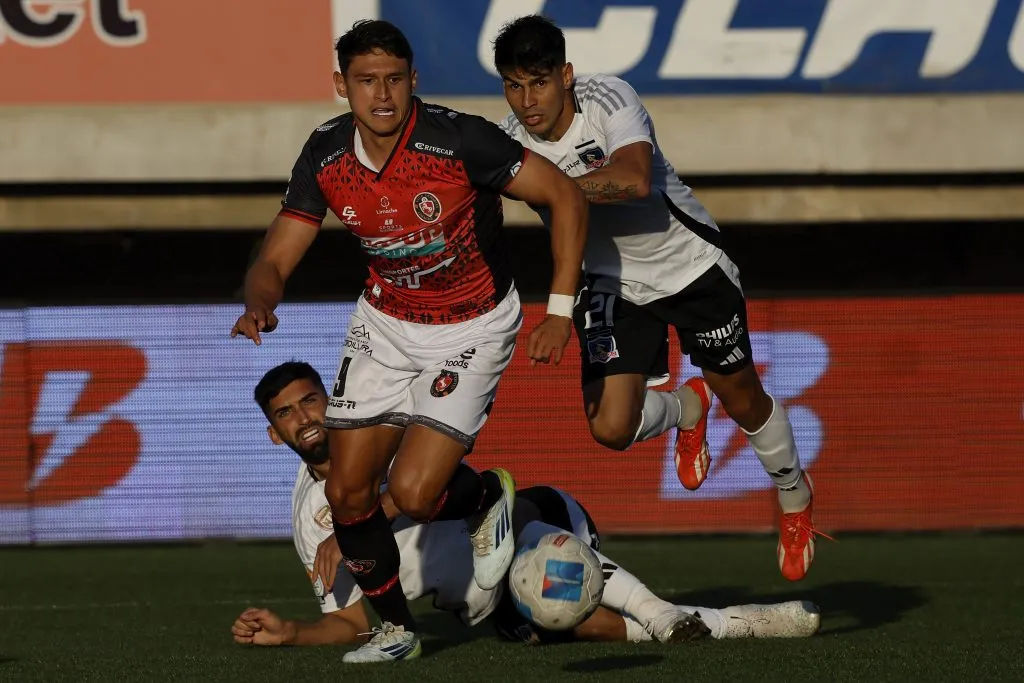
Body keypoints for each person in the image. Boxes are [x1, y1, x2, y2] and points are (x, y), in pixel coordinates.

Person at [230, 19, 589, 663]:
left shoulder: (458, 140)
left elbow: (564, 196)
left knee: (420, 496)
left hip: (473, 324)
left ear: (413, 80)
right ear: (342, 86)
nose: (383, 94)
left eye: (394, 78)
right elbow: (278, 250)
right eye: (366, 81)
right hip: (386, 325)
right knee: (345, 493)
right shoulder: (326, 154)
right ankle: (397, 631)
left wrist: (559, 312)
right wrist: (260, 297)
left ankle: (485, 497)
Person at [490, 15, 823, 582]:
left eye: (539, 82)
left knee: (743, 400)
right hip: (611, 280)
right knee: (610, 428)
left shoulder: (609, 96)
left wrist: (555, 188)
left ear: (566, 76)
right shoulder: (506, 140)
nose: (528, 100)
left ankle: (795, 496)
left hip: (690, 267)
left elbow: (635, 178)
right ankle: (686, 408)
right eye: (515, 86)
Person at [229, 362, 821, 649]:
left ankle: (689, 615)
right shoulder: (309, 523)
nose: (303, 418)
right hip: (492, 609)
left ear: (332, 402)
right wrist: (294, 633)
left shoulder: (386, 435)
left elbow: (438, 488)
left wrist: (360, 524)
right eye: (285, 413)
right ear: (272, 434)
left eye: (310, 401)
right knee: (588, 624)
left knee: (542, 561)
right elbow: (357, 616)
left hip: (534, 520)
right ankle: (715, 621)